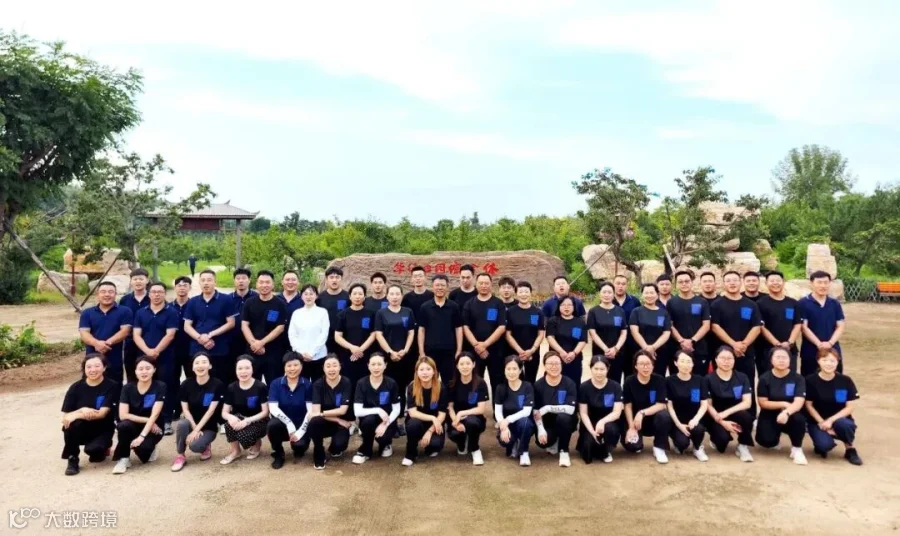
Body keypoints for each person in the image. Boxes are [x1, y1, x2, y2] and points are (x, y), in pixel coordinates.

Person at [710, 270, 762, 414]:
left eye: (735, 280)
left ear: (740, 282)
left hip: (746, 352)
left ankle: (750, 416)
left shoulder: (751, 304)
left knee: (747, 382)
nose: (732, 283)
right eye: (728, 280)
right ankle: (722, 415)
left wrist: (744, 344)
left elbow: (757, 327)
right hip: (724, 353)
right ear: (723, 284)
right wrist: (733, 344)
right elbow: (715, 326)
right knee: (722, 384)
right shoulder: (717, 304)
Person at [60, 354, 119, 475]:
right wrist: (83, 409)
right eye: (89, 367)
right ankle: (72, 458)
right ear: (84, 368)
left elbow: (101, 413)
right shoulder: (76, 387)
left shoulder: (112, 386)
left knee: (95, 454)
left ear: (104, 367)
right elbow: (66, 416)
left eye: (97, 366)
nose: (93, 370)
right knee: (69, 425)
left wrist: (76, 414)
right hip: (82, 427)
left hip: (103, 428)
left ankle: (104, 447)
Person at [132, 282, 179, 434]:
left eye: (160, 292)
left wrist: (156, 351)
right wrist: (147, 352)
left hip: (165, 357)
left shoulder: (171, 312)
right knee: (145, 386)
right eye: (153, 292)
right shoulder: (141, 312)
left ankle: (166, 421)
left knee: (166, 387)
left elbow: (170, 335)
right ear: (149, 294)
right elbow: (136, 335)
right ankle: (146, 420)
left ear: (165, 294)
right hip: (144, 357)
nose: (156, 295)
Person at [805, 349, 862, 465]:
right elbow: (808, 405)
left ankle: (850, 449)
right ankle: (820, 444)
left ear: (837, 362)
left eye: (832, 361)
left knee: (845, 425)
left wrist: (830, 421)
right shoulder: (810, 380)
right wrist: (822, 423)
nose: (829, 364)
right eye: (825, 360)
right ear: (818, 361)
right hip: (817, 421)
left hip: (840, 419)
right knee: (824, 446)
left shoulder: (845, 380)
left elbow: (850, 407)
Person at [113, 356, 166, 474]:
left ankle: (150, 447)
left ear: (154, 369)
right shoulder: (127, 388)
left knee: (144, 453)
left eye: (148, 368)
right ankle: (124, 459)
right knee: (123, 426)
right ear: (135, 371)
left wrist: (141, 437)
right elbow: (123, 415)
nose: (144, 372)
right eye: (140, 369)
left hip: (155, 427)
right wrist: (147, 420)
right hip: (135, 424)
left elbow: (155, 414)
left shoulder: (160, 386)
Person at [183, 269, 238, 386]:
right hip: (197, 348)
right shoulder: (193, 301)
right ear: (199, 283)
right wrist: (200, 338)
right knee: (198, 382)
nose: (206, 283)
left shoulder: (226, 300)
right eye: (203, 280)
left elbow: (231, 323)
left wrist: (210, 335)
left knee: (221, 381)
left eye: (209, 280)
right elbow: (187, 326)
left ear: (215, 282)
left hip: (219, 348)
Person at [171, 353, 224, 472]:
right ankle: (180, 455)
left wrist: (197, 430)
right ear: (193, 367)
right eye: (197, 363)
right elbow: (185, 410)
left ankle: (205, 446)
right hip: (191, 423)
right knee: (182, 424)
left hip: (209, 426)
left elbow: (211, 411)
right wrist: (194, 428)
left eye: (204, 362)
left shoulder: (217, 384)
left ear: (210, 366)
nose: (200, 365)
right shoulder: (186, 384)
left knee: (195, 446)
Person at [756, 347, 808, 465]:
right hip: (770, 412)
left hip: (791, 412)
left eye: (784, 357)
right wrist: (783, 404)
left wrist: (786, 412)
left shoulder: (798, 378)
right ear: (771, 360)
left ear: (790, 360)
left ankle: (796, 449)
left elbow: (799, 402)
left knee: (799, 419)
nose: (781, 360)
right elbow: (763, 402)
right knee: (766, 441)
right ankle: (775, 435)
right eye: (778, 357)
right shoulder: (764, 378)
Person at [374, 284, 416, 428]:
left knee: (403, 387)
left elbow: (411, 332)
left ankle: (401, 420)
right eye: (391, 294)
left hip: (405, 357)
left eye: (397, 294)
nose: (395, 297)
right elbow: (378, 334)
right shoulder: (381, 313)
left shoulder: (407, 311)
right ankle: (388, 420)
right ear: (387, 296)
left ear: (402, 296)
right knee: (388, 387)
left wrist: (405, 350)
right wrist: (390, 352)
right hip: (388, 358)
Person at [703, 346, 755, 462]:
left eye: (729, 358)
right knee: (721, 444)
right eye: (722, 358)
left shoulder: (742, 377)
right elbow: (708, 405)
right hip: (716, 416)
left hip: (735, 412)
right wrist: (722, 422)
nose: (726, 362)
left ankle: (742, 445)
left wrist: (726, 413)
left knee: (746, 417)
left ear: (734, 360)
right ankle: (716, 438)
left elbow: (747, 402)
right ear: (716, 359)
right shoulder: (708, 379)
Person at [621, 350, 672, 464]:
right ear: (636, 366)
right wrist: (631, 426)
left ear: (653, 365)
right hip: (635, 422)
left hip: (653, 419)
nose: (645, 367)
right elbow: (627, 405)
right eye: (641, 364)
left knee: (664, 416)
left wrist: (642, 413)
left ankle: (659, 447)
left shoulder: (659, 380)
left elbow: (661, 404)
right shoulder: (629, 381)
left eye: (648, 364)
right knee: (633, 447)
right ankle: (635, 439)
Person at [351, 352, 401, 464]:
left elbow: (397, 409)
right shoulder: (361, 383)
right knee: (369, 421)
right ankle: (365, 450)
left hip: (387, 419)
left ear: (385, 365)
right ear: (368, 366)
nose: (376, 367)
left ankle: (386, 444)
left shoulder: (391, 383)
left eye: (379, 364)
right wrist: (378, 410)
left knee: (383, 438)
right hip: (369, 419)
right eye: (373, 364)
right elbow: (357, 411)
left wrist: (385, 424)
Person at [78, 281, 133, 382]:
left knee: (115, 386)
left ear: (115, 294)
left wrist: (107, 343)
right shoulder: (87, 313)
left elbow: (125, 331)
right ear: (97, 294)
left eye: (110, 292)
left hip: (114, 359)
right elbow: (84, 333)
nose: (107, 294)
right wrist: (96, 344)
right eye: (103, 292)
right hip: (92, 358)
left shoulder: (125, 311)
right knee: (90, 385)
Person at [241, 270, 289, 385]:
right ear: (256, 284)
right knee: (252, 385)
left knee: (274, 384)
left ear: (273, 284)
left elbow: (280, 327)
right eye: (261, 282)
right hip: (252, 351)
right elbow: (244, 325)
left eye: (267, 282)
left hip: (273, 352)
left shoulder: (280, 304)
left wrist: (261, 343)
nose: (264, 285)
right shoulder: (249, 302)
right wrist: (254, 344)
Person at [462, 273, 507, 395]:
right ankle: (477, 406)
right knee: (475, 382)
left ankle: (497, 406)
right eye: (481, 283)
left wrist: (485, 344)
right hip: (475, 351)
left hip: (495, 350)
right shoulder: (469, 304)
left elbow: (502, 327)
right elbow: (465, 327)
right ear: (476, 284)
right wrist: (477, 346)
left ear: (491, 285)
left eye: (486, 283)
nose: (484, 286)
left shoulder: (498, 303)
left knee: (497, 382)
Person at [220, 356, 269, 465]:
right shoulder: (231, 387)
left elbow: (265, 412)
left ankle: (257, 443)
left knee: (244, 436)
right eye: (240, 368)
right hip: (240, 417)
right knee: (228, 425)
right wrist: (230, 417)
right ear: (235, 370)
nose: (243, 372)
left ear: (253, 369)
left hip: (259, 420)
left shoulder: (260, 387)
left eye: (247, 368)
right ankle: (235, 451)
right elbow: (224, 412)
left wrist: (248, 421)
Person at [267, 352, 313, 469]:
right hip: (282, 424)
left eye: (296, 365)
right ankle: (278, 453)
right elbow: (273, 408)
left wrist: (300, 432)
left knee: (300, 447)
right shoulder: (276, 384)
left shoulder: (307, 384)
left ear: (301, 366)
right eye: (289, 365)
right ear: (284, 367)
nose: (292, 369)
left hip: (301, 424)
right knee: (272, 425)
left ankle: (298, 448)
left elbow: (310, 411)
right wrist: (289, 424)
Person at [306, 355, 353, 469]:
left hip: (340, 422)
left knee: (339, 446)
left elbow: (343, 410)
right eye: (328, 366)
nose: (331, 369)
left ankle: (333, 448)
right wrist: (337, 419)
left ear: (340, 367)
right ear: (323, 368)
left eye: (334, 365)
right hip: (325, 422)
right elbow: (316, 412)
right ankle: (318, 451)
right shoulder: (318, 384)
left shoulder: (346, 382)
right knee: (315, 421)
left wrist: (322, 413)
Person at [532, 351, 578, 467]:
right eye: (550, 364)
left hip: (566, 420)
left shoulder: (569, 383)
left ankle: (564, 451)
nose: (554, 367)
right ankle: (555, 439)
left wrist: (548, 408)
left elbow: (571, 409)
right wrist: (541, 429)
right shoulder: (538, 385)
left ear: (561, 365)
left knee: (563, 418)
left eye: (557, 363)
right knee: (543, 442)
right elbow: (536, 410)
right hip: (547, 422)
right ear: (544, 365)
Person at [664, 351, 710, 462]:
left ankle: (697, 447)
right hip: (677, 421)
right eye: (682, 361)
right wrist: (678, 424)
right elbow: (669, 406)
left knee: (699, 429)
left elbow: (704, 404)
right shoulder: (669, 381)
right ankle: (678, 442)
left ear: (693, 364)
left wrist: (695, 419)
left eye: (689, 362)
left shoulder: (700, 380)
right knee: (682, 444)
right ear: (676, 363)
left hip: (694, 419)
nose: (686, 365)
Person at [577, 356, 624, 464]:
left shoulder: (615, 386)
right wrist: (592, 431)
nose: (599, 372)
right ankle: (595, 445)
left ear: (608, 369)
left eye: (602, 369)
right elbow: (583, 413)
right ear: (591, 368)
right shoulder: (584, 387)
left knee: (611, 430)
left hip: (609, 422)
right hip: (590, 423)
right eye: (596, 369)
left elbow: (617, 412)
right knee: (588, 455)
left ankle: (606, 450)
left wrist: (602, 421)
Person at [402, 357, 448, 466]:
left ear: (434, 371)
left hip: (434, 424)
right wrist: (432, 417)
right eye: (421, 369)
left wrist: (430, 431)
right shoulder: (412, 386)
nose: (425, 373)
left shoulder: (441, 387)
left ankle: (429, 445)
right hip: (417, 421)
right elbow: (412, 412)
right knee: (413, 424)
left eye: (428, 369)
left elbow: (442, 414)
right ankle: (411, 453)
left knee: (435, 446)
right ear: (417, 372)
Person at [418, 274, 463, 384]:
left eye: (442, 285)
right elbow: (421, 330)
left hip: (449, 352)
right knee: (430, 381)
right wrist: (421, 352)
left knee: (450, 382)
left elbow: (458, 329)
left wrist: (459, 350)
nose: (440, 288)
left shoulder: (454, 306)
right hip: (430, 351)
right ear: (432, 287)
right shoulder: (425, 307)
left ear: (447, 287)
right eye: (437, 285)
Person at [447, 352, 489, 466]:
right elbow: (450, 407)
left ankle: (475, 449)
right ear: (457, 366)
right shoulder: (452, 383)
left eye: (468, 363)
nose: (465, 366)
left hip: (474, 418)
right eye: (461, 364)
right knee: (455, 433)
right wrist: (455, 420)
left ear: (473, 364)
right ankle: (462, 443)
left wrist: (461, 413)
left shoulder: (480, 383)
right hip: (456, 418)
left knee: (471, 422)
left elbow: (481, 409)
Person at [800, 270, 846, 375]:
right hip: (810, 350)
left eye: (826, 282)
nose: (823, 286)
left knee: (835, 378)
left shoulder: (835, 304)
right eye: (819, 282)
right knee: (810, 379)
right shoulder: (803, 303)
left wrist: (830, 343)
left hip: (833, 349)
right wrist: (819, 344)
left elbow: (840, 326)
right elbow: (804, 327)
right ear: (811, 284)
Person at [667, 270, 712, 376]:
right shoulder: (671, 302)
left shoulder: (702, 302)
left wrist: (692, 340)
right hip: (678, 349)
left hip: (699, 348)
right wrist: (681, 341)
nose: (684, 284)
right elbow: (670, 325)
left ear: (692, 282)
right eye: (680, 282)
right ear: (676, 284)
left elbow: (706, 325)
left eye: (687, 281)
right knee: (678, 380)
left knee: (699, 379)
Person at [757, 271, 802, 375]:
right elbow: (761, 327)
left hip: (790, 349)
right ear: (766, 283)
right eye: (772, 281)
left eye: (778, 280)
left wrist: (790, 342)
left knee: (790, 378)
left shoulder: (793, 303)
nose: (775, 283)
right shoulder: (760, 303)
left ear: (783, 282)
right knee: (769, 379)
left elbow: (797, 324)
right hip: (768, 349)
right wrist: (777, 344)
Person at [334, 283, 377, 390]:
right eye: (355, 294)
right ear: (350, 296)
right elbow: (338, 336)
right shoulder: (342, 314)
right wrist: (352, 348)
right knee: (348, 384)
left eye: (360, 294)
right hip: (348, 355)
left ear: (364, 296)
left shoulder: (370, 314)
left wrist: (360, 350)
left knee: (366, 384)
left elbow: (373, 334)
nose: (357, 296)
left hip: (365, 355)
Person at [494, 356, 535, 466]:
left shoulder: (527, 386)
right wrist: (504, 426)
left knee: (525, 422)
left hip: (523, 424)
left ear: (520, 370)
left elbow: (527, 411)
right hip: (507, 425)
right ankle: (514, 443)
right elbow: (498, 412)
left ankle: (524, 452)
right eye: (508, 369)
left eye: (514, 369)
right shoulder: (500, 388)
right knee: (506, 441)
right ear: (504, 370)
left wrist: (507, 419)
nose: (511, 372)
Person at [505, 281, 546, 384]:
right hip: (514, 352)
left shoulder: (538, 312)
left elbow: (541, 333)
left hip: (533, 352)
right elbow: (508, 334)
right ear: (516, 294)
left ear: (530, 293)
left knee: (530, 380)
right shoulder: (510, 312)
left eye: (526, 291)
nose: (524, 294)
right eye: (521, 292)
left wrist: (532, 350)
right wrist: (519, 351)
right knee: (515, 380)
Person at [287, 284, 330, 382]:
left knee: (319, 384)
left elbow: (324, 334)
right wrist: (301, 353)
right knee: (302, 384)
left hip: (319, 356)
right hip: (300, 357)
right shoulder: (296, 313)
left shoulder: (322, 312)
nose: (308, 296)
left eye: (311, 294)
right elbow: (292, 334)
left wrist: (312, 353)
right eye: (305, 294)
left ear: (316, 296)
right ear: (301, 296)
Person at [629, 283, 673, 376]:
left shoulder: (664, 313)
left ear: (657, 294)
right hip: (640, 351)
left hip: (660, 352)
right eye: (646, 293)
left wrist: (653, 348)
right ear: (642, 295)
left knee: (658, 377)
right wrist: (646, 349)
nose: (649, 295)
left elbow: (666, 333)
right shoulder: (636, 312)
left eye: (652, 293)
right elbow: (634, 332)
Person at [545, 296, 588, 384]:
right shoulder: (553, 321)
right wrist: (561, 352)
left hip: (575, 359)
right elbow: (550, 337)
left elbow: (583, 340)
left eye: (569, 305)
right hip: (556, 358)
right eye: (563, 305)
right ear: (559, 306)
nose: (566, 307)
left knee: (574, 383)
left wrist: (574, 353)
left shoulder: (580, 322)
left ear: (574, 307)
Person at [119, 268, 150, 382]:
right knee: (131, 371)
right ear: (131, 281)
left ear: (147, 280)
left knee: (149, 370)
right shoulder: (125, 300)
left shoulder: (153, 297)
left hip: (149, 340)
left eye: (141, 279)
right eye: (135, 279)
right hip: (130, 341)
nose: (138, 281)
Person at [228, 268, 258, 371]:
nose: (241, 281)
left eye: (244, 278)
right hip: (232, 341)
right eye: (238, 278)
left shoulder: (257, 297)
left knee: (252, 370)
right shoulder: (228, 299)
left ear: (249, 280)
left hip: (252, 341)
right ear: (234, 281)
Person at [316, 266, 350, 355]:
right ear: (326, 280)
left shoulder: (348, 297)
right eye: (331, 277)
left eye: (337, 277)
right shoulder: (320, 297)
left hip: (344, 338)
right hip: (325, 338)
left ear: (341, 279)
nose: (334, 280)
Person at [171, 276, 194, 380]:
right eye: (179, 286)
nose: (182, 288)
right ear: (175, 288)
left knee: (191, 378)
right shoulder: (168, 307)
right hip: (173, 349)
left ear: (190, 288)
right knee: (172, 378)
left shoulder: (194, 305)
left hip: (190, 348)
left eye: (185, 285)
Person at [699, 271, 721, 364]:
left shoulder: (722, 301)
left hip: (720, 342)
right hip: (701, 343)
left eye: (710, 281)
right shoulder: (696, 301)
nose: (707, 284)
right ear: (700, 284)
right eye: (705, 281)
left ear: (715, 283)